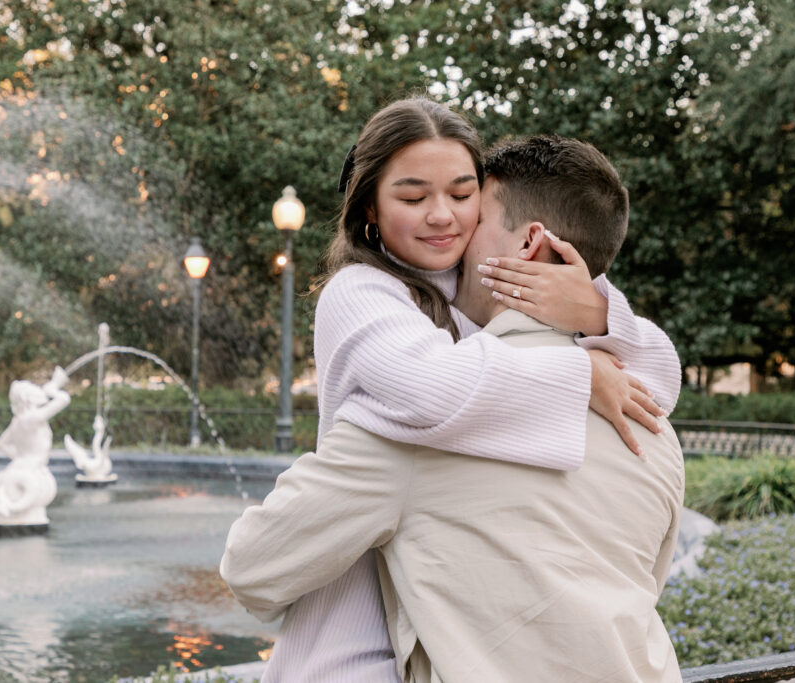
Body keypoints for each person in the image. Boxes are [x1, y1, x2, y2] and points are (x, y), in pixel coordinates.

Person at [224, 97, 682, 681]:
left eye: (467, 200)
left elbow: (252, 567)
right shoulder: (652, 432)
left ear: (532, 246)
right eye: (413, 198)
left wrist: (595, 310)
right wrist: (582, 370)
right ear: (369, 205)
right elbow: (429, 387)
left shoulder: (417, 436)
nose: (447, 221)